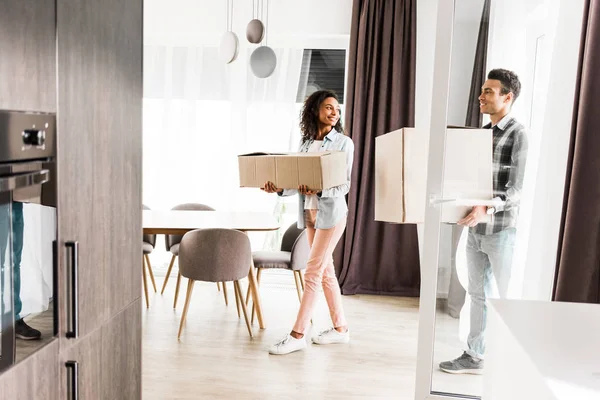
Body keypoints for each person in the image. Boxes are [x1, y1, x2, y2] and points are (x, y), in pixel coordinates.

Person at [440, 69, 528, 374]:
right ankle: (474, 355)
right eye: (482, 90)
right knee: (478, 295)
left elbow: (517, 191)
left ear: (507, 97)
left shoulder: (518, 134)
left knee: (509, 296)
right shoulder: (480, 134)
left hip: (502, 231)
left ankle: (518, 360)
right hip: (475, 229)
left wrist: (485, 210)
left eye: (489, 91)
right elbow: (470, 180)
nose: (481, 96)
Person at [261, 89, 354, 355]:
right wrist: (278, 188)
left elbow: (343, 184)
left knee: (312, 272)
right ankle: (340, 329)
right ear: (315, 110)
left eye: (337, 108)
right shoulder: (305, 143)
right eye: (328, 107)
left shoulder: (343, 143)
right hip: (311, 216)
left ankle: (298, 334)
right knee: (325, 273)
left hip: (332, 216)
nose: (334, 112)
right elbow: (297, 183)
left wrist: (320, 190)